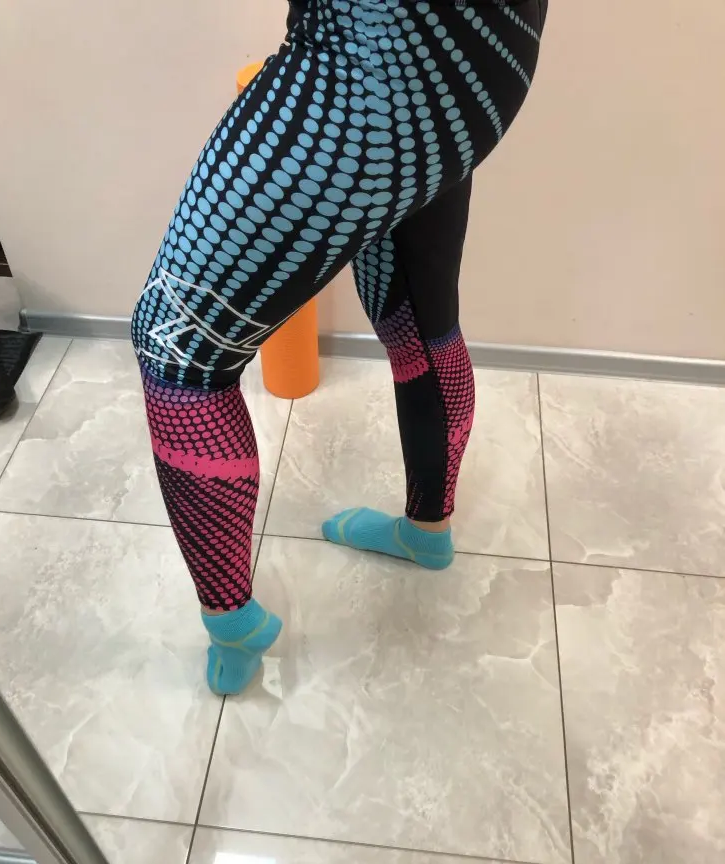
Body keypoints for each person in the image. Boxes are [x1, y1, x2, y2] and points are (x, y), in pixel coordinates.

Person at [132, 0, 548, 696]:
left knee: (175, 351)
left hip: (372, 62)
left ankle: (232, 623)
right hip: (474, 60)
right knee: (419, 315)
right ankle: (427, 529)